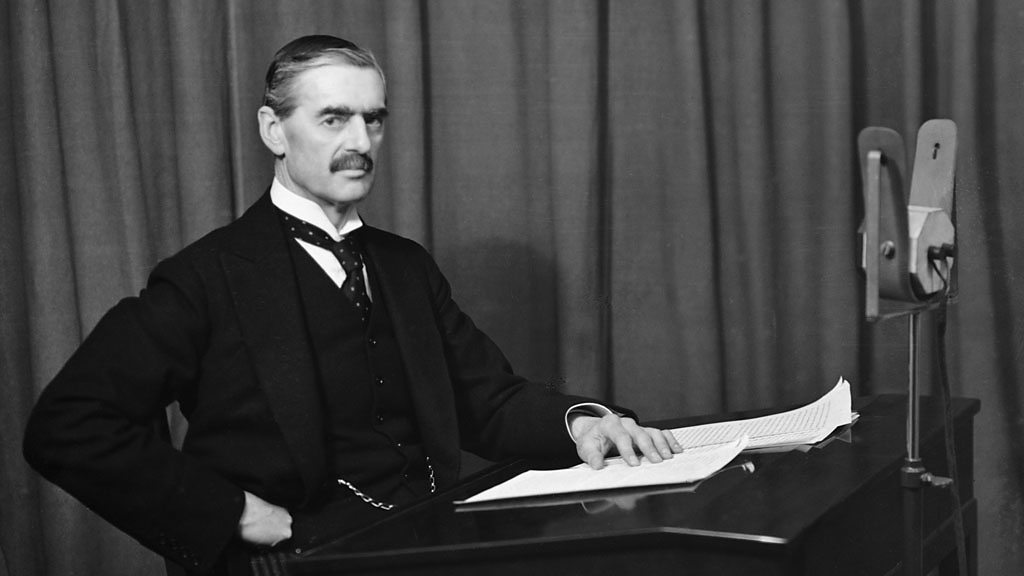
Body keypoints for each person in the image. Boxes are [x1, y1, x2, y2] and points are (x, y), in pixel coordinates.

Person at [22, 35, 682, 576]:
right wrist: (228, 512)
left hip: (431, 540)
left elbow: (486, 399)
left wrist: (581, 423)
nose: (361, 142)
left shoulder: (406, 265)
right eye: (334, 118)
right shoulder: (204, 277)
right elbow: (69, 425)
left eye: (374, 119)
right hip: (289, 561)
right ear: (273, 130)